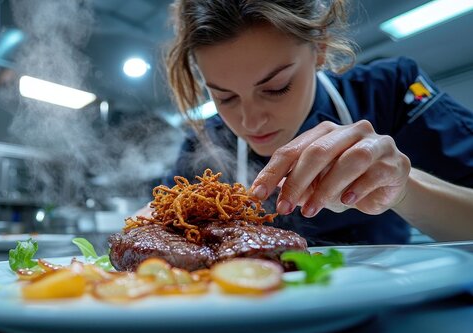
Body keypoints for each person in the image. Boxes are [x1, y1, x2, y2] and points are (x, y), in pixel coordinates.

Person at [161, 0, 473, 244]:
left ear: (320, 48)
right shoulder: (204, 142)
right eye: (225, 97)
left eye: (276, 88)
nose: (251, 121)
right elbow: (157, 220)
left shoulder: (389, 91)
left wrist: (404, 190)